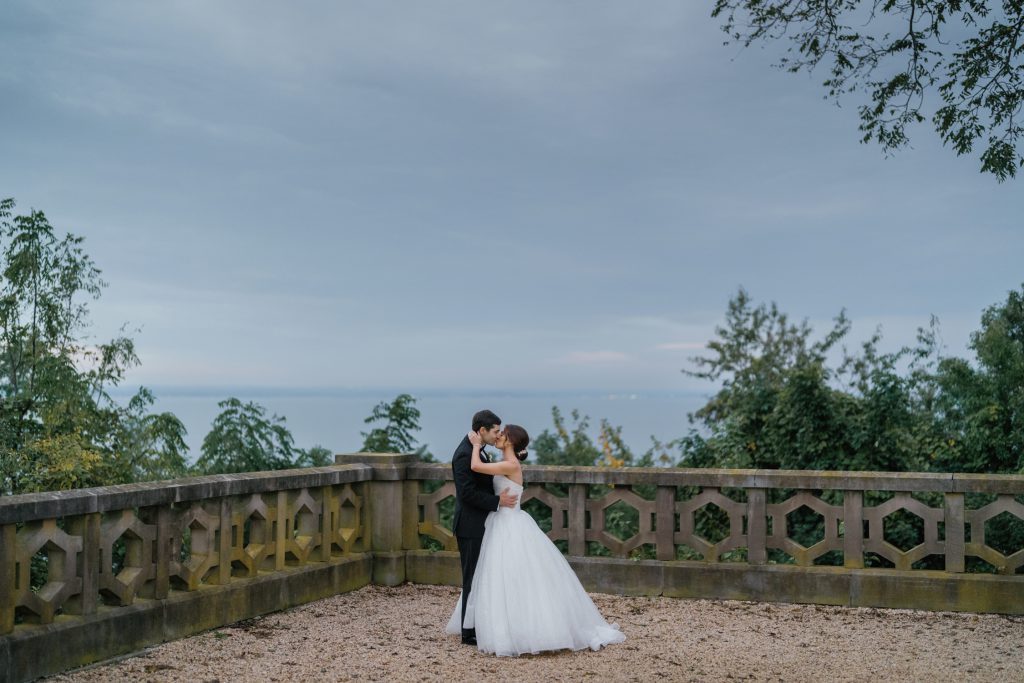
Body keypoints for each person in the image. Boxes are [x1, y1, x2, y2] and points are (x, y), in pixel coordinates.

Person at [445, 423, 626, 656]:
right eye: (497, 432)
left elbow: (475, 466)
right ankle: (495, 624)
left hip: (509, 523)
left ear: (511, 441)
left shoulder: (511, 464)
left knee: (513, 575)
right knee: (496, 575)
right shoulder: (504, 462)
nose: (499, 436)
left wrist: (476, 445)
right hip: (498, 522)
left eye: (502, 434)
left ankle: (520, 628)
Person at [451, 409, 519, 646]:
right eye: (495, 431)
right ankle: (467, 632)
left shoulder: (477, 450)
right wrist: (497, 502)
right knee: (471, 578)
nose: (498, 435)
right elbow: (467, 493)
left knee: (483, 576)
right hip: (470, 525)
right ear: (482, 430)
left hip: (485, 524)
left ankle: (479, 623)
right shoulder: (464, 454)